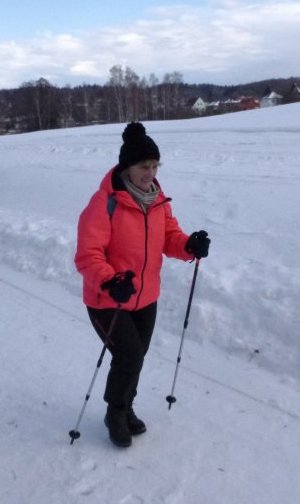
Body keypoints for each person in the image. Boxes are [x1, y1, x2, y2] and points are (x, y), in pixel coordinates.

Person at [75, 122, 210, 447]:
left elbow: (169, 238)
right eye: (143, 167)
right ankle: (115, 412)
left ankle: (125, 407)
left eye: (154, 166)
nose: (150, 173)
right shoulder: (104, 203)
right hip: (108, 299)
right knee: (130, 355)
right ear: (127, 167)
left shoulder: (157, 200)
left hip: (145, 297)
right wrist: (110, 281)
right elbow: (87, 255)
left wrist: (189, 245)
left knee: (136, 357)